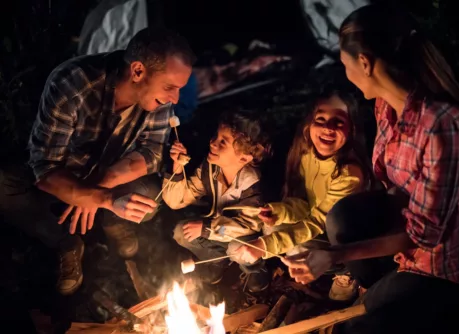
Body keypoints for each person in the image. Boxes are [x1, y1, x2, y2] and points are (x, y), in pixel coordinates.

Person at [282, 4, 459, 333]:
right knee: (344, 219)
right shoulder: (386, 106)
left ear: (365, 63)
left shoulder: (444, 125)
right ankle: (386, 285)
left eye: (345, 64)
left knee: (357, 328)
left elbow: (425, 235)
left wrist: (335, 256)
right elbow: (393, 190)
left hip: (452, 257)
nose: (346, 73)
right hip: (411, 236)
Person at [0, 27, 195, 296]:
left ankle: (114, 222)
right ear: (138, 71)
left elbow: (151, 153)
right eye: (170, 87)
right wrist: (102, 199)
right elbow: (45, 167)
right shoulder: (73, 81)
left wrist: (98, 188)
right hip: (64, 176)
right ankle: (65, 242)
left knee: (148, 198)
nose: (175, 99)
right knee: (4, 188)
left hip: (108, 175)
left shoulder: (158, 100)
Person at [229, 89, 373, 301]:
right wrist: (278, 212)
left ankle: (347, 270)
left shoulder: (349, 174)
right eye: (321, 119)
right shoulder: (308, 155)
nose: (328, 127)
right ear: (309, 124)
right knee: (272, 226)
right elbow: (306, 205)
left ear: (352, 129)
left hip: (347, 238)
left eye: (339, 122)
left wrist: (265, 246)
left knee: (297, 248)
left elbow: (317, 221)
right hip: (321, 224)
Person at [163, 111, 272, 293]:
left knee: (237, 248)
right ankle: (216, 262)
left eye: (223, 142)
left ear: (244, 158)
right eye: (216, 137)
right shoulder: (210, 169)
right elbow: (176, 200)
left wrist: (207, 228)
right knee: (181, 232)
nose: (212, 143)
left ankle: (256, 270)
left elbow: (248, 226)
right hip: (219, 231)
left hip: (246, 238)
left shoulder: (253, 186)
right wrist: (178, 167)